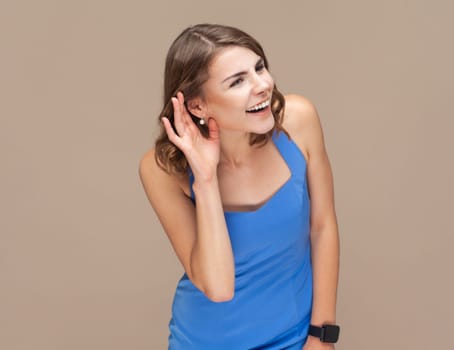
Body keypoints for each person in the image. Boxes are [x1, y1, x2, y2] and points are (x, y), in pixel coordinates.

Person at [139, 23, 340, 350]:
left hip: (296, 336)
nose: (263, 85)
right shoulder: (162, 170)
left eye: (259, 67)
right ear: (197, 106)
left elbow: (323, 226)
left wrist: (322, 335)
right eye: (238, 81)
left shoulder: (299, 121)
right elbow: (217, 288)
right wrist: (205, 177)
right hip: (205, 341)